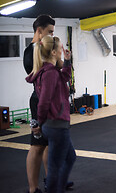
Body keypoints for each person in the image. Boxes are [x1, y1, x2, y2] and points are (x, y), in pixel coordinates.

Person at [26, 35, 76, 193]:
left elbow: (66, 77)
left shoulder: (52, 71)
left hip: (55, 124)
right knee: (55, 167)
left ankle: (58, 185)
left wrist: (67, 61)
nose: (62, 51)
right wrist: (40, 124)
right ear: (54, 52)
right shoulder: (50, 73)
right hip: (55, 125)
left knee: (70, 158)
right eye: (60, 49)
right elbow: (44, 102)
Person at [23, 15, 54, 193]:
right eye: (49, 32)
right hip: (39, 102)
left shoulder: (43, 49)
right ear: (39, 30)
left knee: (49, 144)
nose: (51, 35)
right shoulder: (32, 51)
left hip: (48, 101)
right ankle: (33, 189)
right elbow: (36, 74)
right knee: (36, 146)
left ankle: (52, 180)